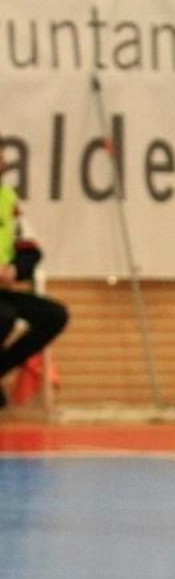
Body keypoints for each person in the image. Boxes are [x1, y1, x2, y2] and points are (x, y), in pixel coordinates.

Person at [0, 169, 69, 410]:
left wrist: (14, 270)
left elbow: (31, 250)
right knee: (4, 316)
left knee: (54, 316)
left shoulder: (7, 198)